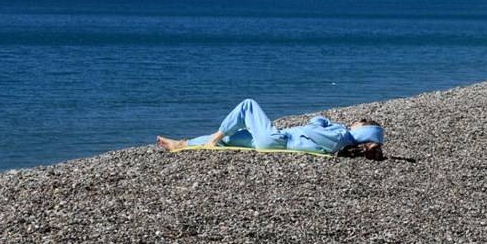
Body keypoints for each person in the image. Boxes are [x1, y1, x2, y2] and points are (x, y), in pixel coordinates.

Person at [157, 98, 385, 159]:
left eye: (361, 120)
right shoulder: (342, 137)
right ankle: (182, 144)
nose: (356, 120)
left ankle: (216, 135)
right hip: (273, 140)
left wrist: (318, 122)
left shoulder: (341, 134)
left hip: (278, 140)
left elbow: (313, 129)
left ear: (363, 129)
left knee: (248, 105)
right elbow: (316, 128)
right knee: (232, 138)